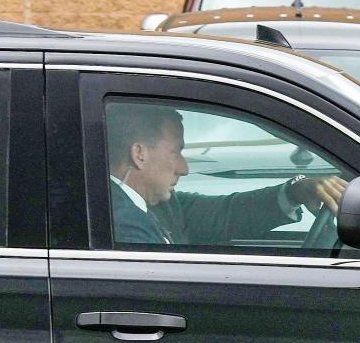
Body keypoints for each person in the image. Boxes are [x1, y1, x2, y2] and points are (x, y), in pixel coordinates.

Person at [106, 103, 347, 245]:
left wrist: (296, 191)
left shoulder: (155, 206)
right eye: (175, 153)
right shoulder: (121, 227)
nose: (184, 168)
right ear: (140, 154)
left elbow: (227, 213)